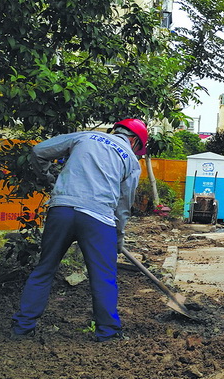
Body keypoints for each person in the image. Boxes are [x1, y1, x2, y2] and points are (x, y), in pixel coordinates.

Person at [10, 119, 148, 342]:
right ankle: (108, 333)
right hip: (98, 218)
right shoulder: (131, 161)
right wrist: (118, 236)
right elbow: (123, 205)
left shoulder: (84, 136)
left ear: (116, 131)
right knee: (104, 277)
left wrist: (46, 178)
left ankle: (22, 327)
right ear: (134, 141)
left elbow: (39, 151)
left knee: (44, 269)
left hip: (62, 210)